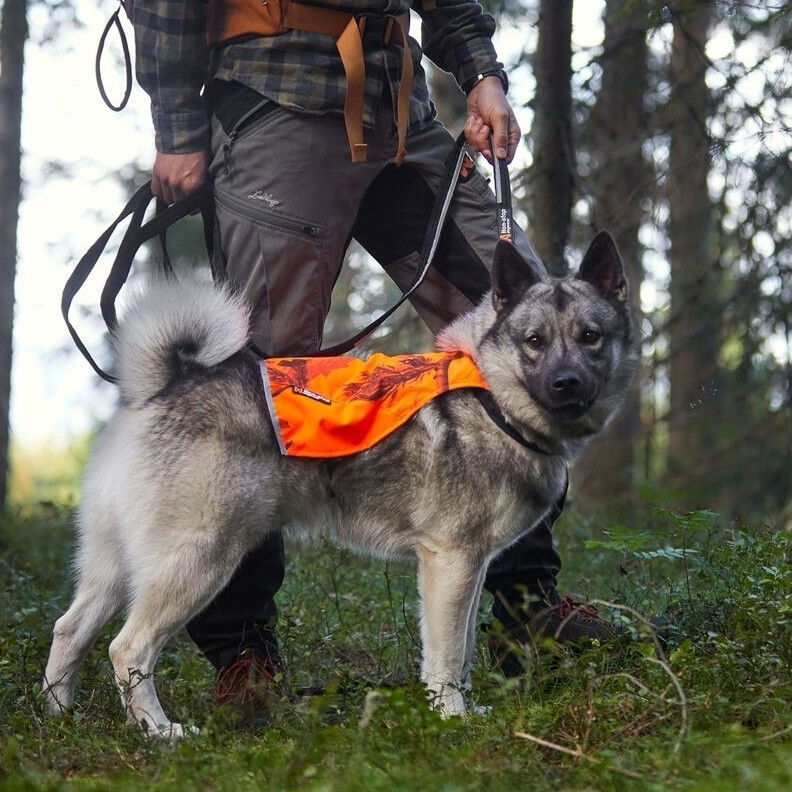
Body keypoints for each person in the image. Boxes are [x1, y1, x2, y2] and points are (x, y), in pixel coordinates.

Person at [131, 0, 617, 708]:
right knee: (257, 391)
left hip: (402, 116)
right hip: (278, 102)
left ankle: (526, 609)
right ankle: (242, 654)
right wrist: (177, 127)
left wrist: (481, 72)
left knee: (529, 316)